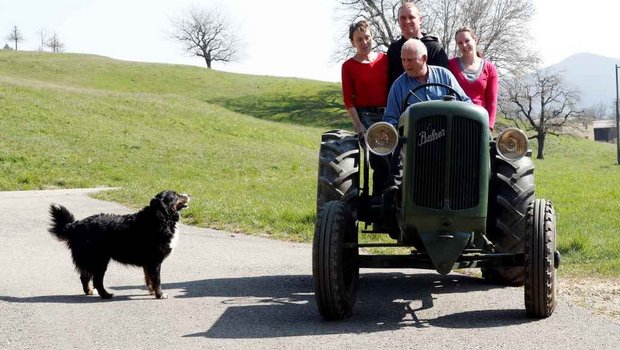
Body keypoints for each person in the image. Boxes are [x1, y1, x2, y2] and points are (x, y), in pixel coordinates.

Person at [384, 38, 471, 126]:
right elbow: (390, 119)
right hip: (415, 138)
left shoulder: (444, 75)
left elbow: (465, 103)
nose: (406, 64)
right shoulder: (398, 86)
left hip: (448, 136)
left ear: (424, 58)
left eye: (410, 60)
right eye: (403, 60)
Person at [341, 20, 389, 137]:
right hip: (365, 116)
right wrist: (358, 125)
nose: (364, 42)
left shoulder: (385, 59)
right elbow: (348, 100)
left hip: (390, 115)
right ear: (353, 42)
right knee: (375, 153)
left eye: (367, 37)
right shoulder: (348, 66)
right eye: (359, 39)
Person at [386, 2, 449, 89]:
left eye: (411, 17)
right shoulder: (394, 50)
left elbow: (444, 82)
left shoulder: (435, 49)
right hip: (403, 100)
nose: (407, 21)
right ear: (398, 21)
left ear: (420, 19)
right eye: (403, 18)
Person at [448, 26, 499, 131]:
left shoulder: (490, 68)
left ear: (475, 40)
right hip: (456, 122)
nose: (464, 45)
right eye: (460, 43)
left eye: (467, 41)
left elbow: (492, 101)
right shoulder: (451, 65)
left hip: (479, 122)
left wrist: (489, 127)